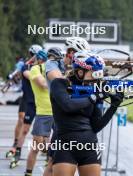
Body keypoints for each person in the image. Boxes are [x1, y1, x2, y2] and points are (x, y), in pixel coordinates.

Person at [50, 51, 123, 176]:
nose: (97, 79)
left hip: (90, 146)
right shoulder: (59, 84)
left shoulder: (92, 91)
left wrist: (113, 106)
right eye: (94, 74)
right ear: (80, 72)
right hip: (65, 146)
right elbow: (68, 105)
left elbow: (96, 126)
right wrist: (95, 97)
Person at [43, 37, 91, 176]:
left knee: (68, 162)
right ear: (70, 52)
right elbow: (59, 80)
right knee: (53, 162)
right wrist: (75, 72)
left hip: (77, 118)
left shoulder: (78, 67)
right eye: (77, 55)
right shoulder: (53, 64)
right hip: (61, 119)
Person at [6, 45, 42, 159]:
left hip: (40, 99)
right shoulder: (24, 65)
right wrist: (13, 79)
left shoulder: (42, 66)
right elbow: (16, 78)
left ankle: (46, 149)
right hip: (27, 98)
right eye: (33, 55)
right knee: (21, 119)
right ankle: (16, 144)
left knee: (43, 127)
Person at [24, 50, 53, 176]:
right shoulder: (36, 69)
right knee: (37, 146)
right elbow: (42, 84)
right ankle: (28, 173)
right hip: (43, 113)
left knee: (59, 149)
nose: (34, 60)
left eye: (36, 59)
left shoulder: (54, 70)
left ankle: (51, 165)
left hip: (58, 112)